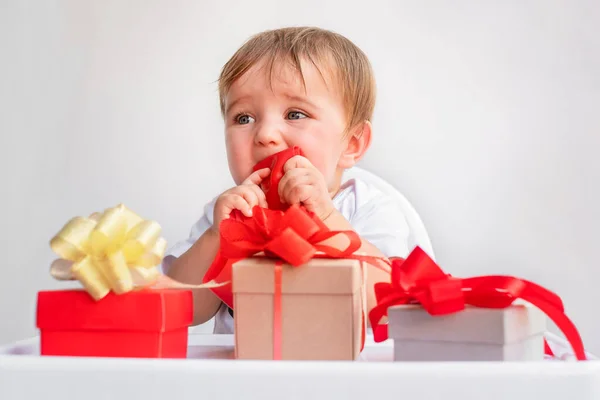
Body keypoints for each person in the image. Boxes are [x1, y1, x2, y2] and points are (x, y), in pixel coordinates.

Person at [162, 27, 412, 333]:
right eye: (244, 118)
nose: (265, 135)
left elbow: (389, 303)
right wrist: (218, 237)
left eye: (295, 114)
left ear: (352, 144)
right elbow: (178, 307)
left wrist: (326, 218)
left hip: (344, 374)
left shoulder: (367, 208)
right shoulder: (227, 214)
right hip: (243, 375)